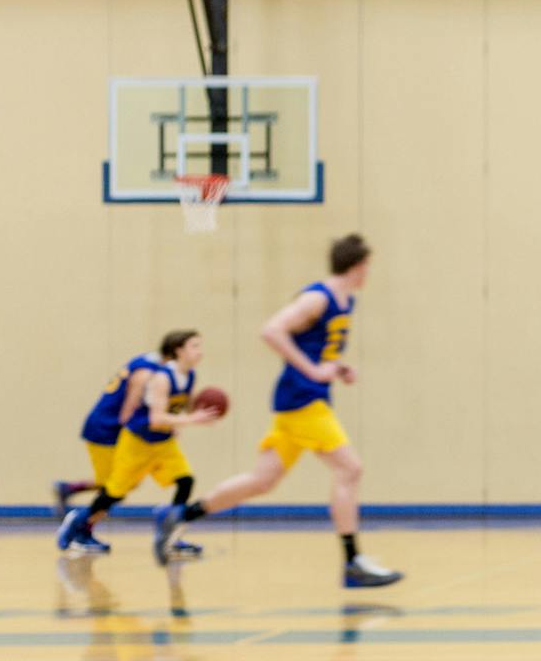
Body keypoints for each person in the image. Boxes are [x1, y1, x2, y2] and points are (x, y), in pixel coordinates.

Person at [153, 235, 402, 588]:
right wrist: (313, 371)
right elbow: (271, 330)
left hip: (301, 401)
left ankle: (179, 514)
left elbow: (317, 348)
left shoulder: (346, 301)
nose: (369, 272)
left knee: (263, 481)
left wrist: (336, 367)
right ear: (357, 266)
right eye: (367, 266)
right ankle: (352, 561)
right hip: (303, 400)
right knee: (350, 469)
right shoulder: (319, 297)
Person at [58, 332, 220, 557]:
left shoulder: (189, 375)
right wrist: (190, 420)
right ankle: (77, 522)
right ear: (178, 350)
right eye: (194, 346)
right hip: (136, 441)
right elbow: (153, 418)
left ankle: (171, 536)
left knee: (185, 481)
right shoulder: (159, 377)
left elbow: (179, 408)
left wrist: (201, 411)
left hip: (163, 443)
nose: (200, 351)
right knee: (114, 492)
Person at [56, 347, 160, 552]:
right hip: (106, 431)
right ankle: (80, 525)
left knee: (122, 485)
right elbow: (126, 415)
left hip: (106, 428)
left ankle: (71, 491)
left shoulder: (143, 361)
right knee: (114, 488)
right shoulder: (148, 373)